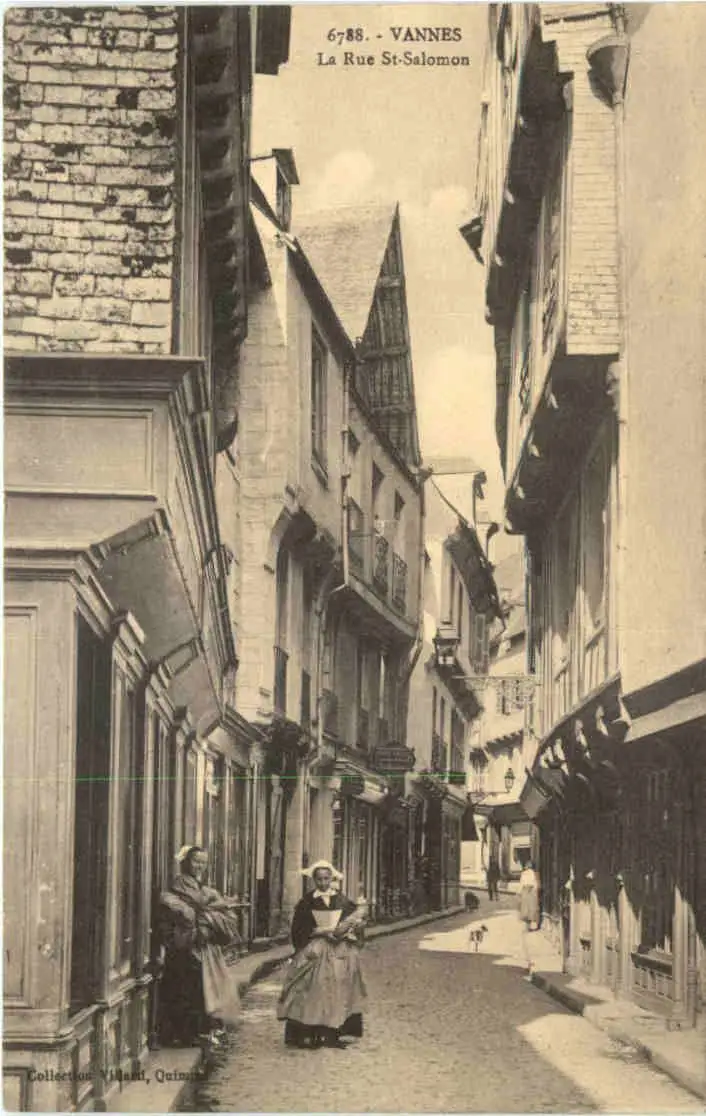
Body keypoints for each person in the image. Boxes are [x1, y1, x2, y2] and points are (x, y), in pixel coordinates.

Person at [277, 859, 367, 1050]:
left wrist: (353, 928)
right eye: (319, 879)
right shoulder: (306, 902)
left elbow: (354, 924)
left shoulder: (342, 900)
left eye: (326, 878)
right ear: (314, 880)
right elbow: (298, 930)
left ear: (331, 878)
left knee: (338, 989)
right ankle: (308, 1034)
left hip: (340, 950)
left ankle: (333, 1033)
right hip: (315, 949)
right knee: (310, 989)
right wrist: (318, 932)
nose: (323, 883)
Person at [158, 845, 242, 1048]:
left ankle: (196, 1032)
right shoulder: (179, 884)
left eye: (203, 863)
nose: (199, 866)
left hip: (201, 947)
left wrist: (208, 915)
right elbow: (184, 910)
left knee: (198, 989)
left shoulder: (202, 887)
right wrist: (206, 909)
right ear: (186, 862)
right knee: (185, 989)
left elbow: (219, 914)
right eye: (196, 861)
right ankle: (184, 1034)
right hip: (183, 947)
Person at [518, 859, 540, 976]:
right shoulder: (533, 874)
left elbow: (522, 884)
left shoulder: (525, 873)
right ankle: (530, 924)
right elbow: (535, 885)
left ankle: (528, 925)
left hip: (526, 891)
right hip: (530, 891)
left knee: (526, 909)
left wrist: (520, 892)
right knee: (531, 908)